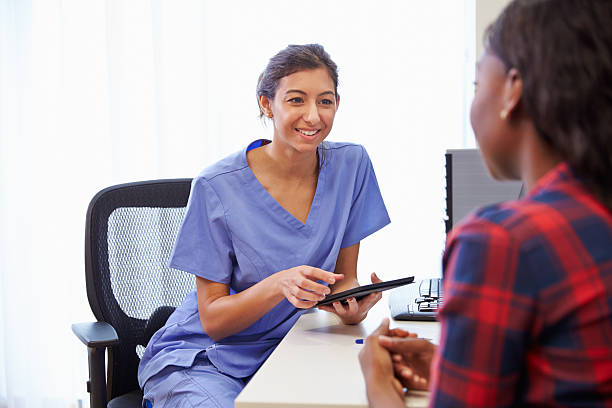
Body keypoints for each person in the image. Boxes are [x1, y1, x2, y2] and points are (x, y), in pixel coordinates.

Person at [359, 0, 612, 406]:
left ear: (513, 90)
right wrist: (450, 364)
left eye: (477, 85)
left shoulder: (501, 241)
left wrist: (378, 384)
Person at [138, 44, 391, 407]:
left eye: (325, 101)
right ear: (267, 104)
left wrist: (352, 306)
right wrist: (278, 285)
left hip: (291, 350)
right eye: (296, 100)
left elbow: (343, 278)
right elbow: (213, 320)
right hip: (205, 358)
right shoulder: (216, 186)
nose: (313, 116)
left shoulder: (352, 165)